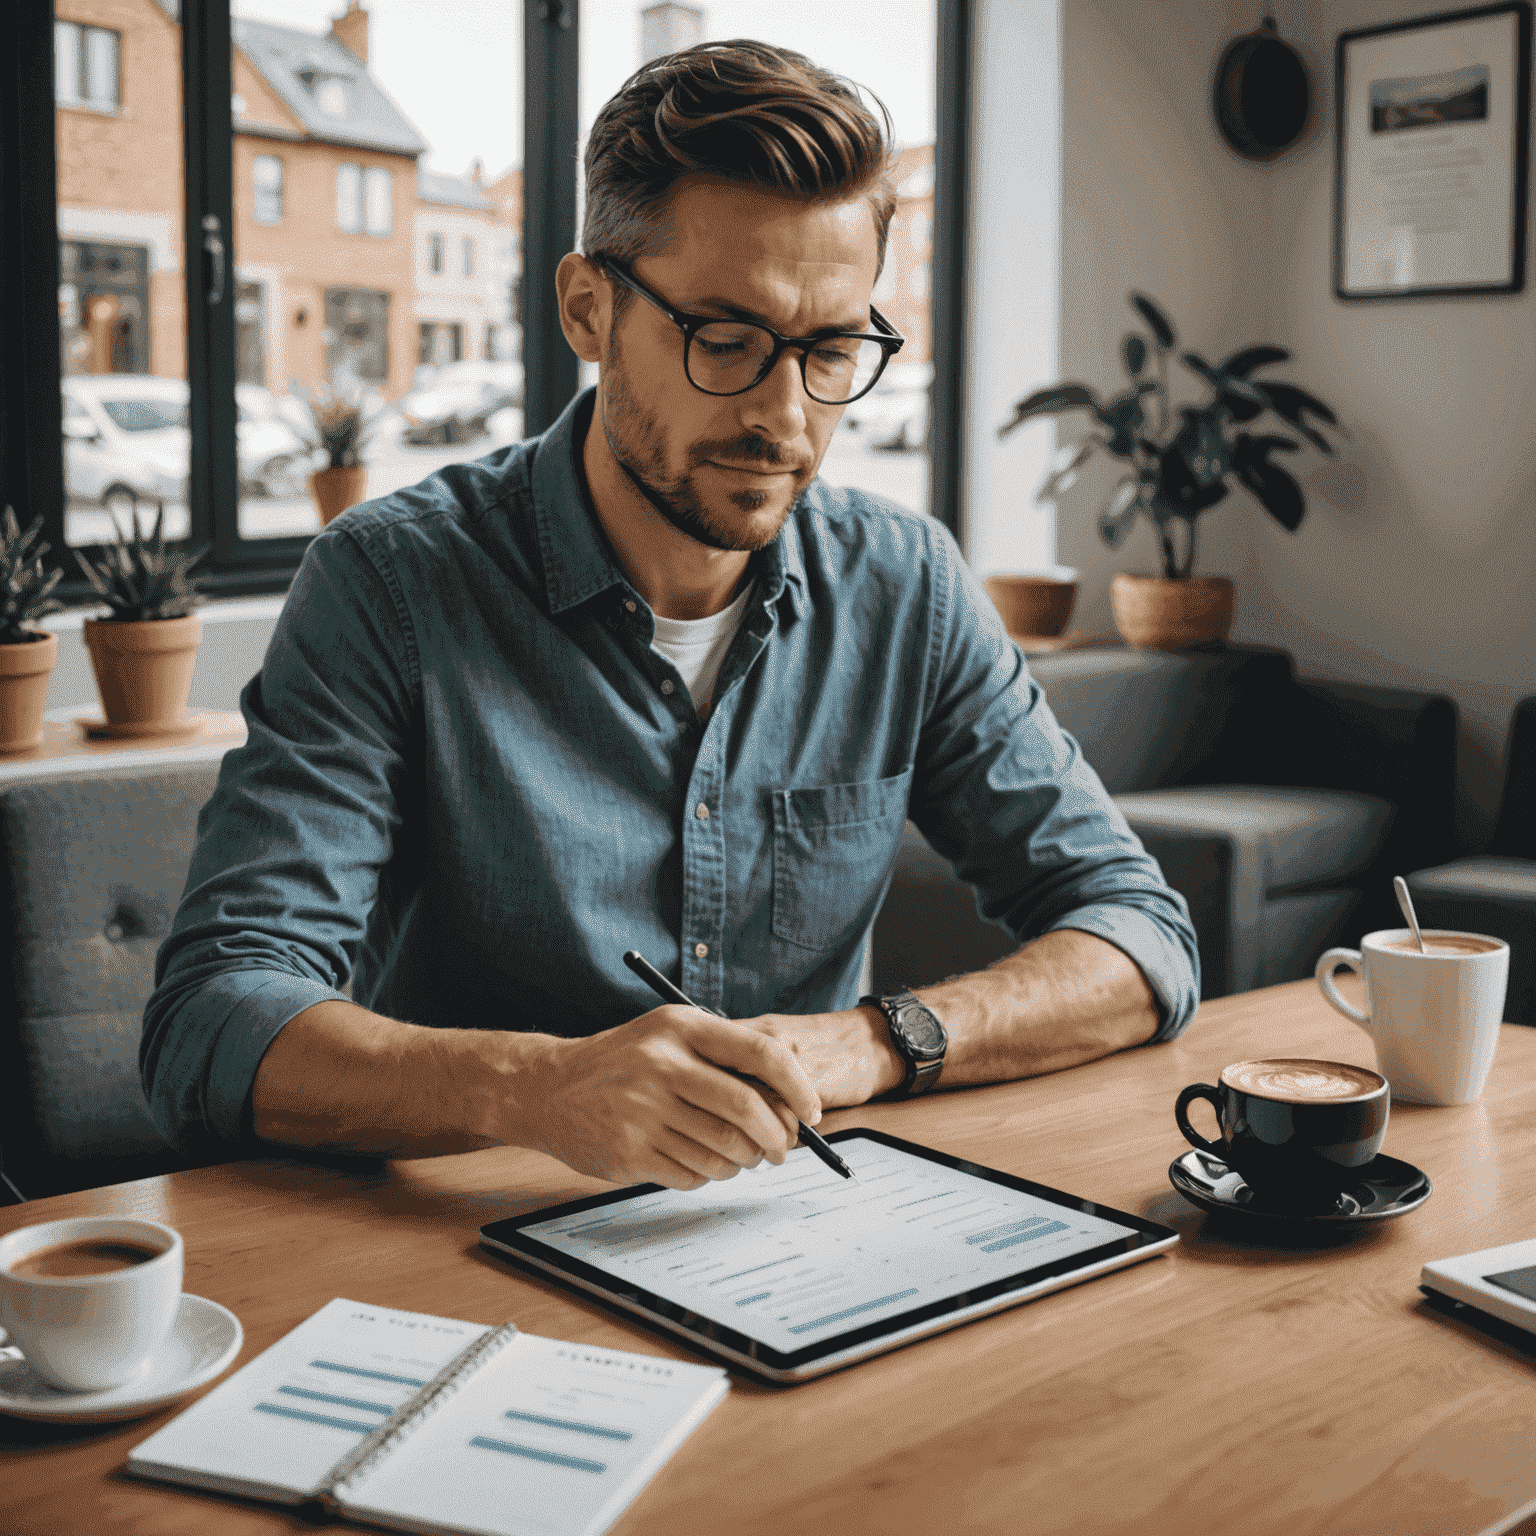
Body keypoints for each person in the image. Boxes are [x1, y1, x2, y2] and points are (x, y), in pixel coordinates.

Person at [143, 40, 1199, 1192]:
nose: (783, 418)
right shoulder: (390, 584)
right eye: (728, 341)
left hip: (799, 1237)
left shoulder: (905, 584)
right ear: (589, 310)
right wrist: (536, 1087)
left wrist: (873, 1043)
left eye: (833, 347)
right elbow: (214, 1017)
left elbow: (1139, 935)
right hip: (469, 1242)